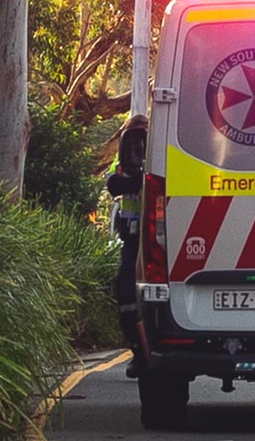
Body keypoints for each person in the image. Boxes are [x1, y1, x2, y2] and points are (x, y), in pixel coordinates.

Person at [105, 116, 150, 378]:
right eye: (133, 139)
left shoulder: (163, 159)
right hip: (132, 242)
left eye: (142, 139)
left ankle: (148, 352)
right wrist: (136, 176)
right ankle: (137, 352)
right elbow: (114, 184)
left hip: (158, 239)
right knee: (125, 297)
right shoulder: (121, 166)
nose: (138, 146)